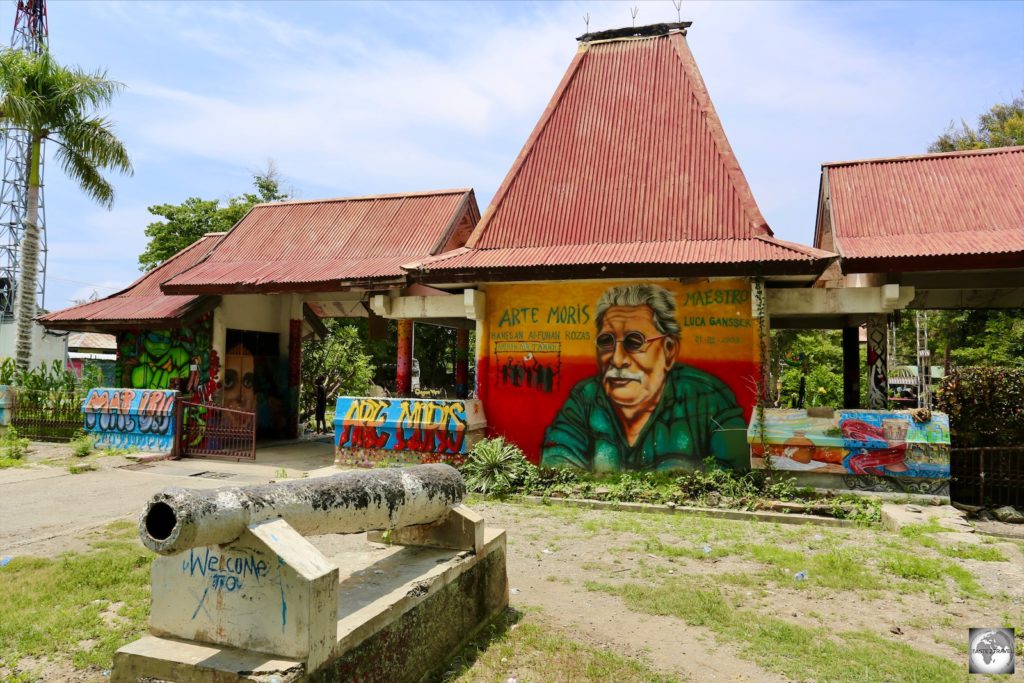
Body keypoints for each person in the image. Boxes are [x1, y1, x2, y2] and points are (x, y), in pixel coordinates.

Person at [541, 284, 748, 472]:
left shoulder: (707, 399)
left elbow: (736, 471)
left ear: (668, 350)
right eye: (606, 341)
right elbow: (556, 464)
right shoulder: (585, 399)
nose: (617, 359)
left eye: (634, 341)